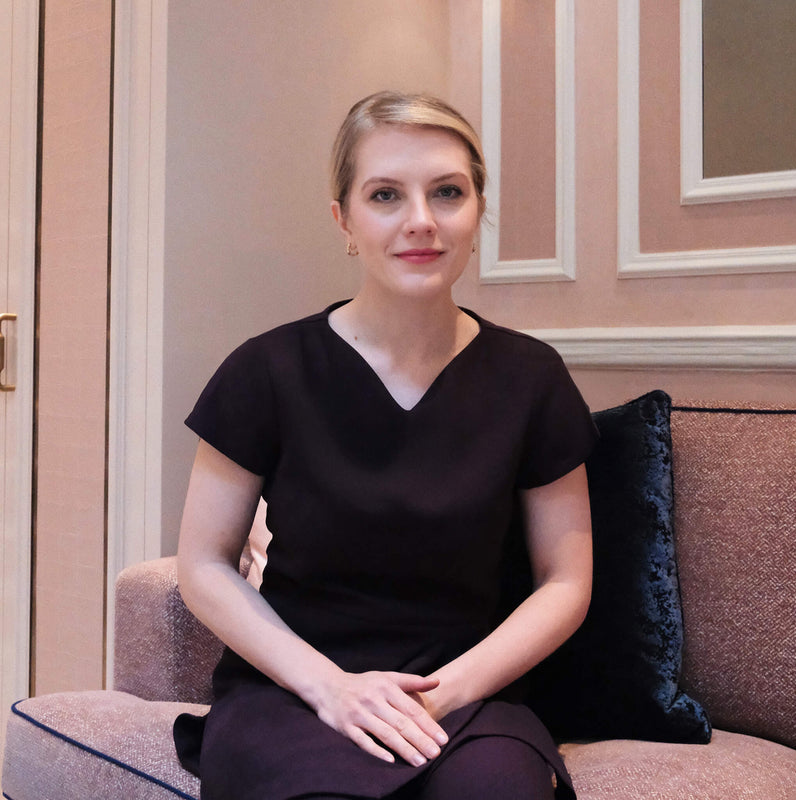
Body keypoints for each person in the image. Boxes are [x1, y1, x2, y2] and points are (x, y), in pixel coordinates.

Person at [173, 90, 597, 800]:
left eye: (448, 192)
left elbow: (566, 582)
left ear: (478, 210)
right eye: (385, 195)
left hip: (466, 696)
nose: (421, 220)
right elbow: (204, 565)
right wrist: (332, 688)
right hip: (296, 690)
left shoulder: (532, 378)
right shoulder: (266, 370)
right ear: (344, 219)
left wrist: (442, 693)